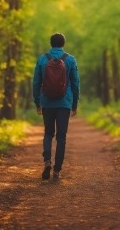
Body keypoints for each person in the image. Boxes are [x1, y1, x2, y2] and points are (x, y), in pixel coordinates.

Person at [33, 32, 80, 180]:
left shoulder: (42, 59)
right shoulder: (70, 59)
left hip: (47, 102)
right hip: (64, 103)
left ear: (51, 43)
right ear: (63, 44)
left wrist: (37, 101)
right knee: (61, 136)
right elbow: (76, 83)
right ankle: (57, 170)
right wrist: (74, 104)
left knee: (48, 133)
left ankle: (47, 160)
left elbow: (36, 83)